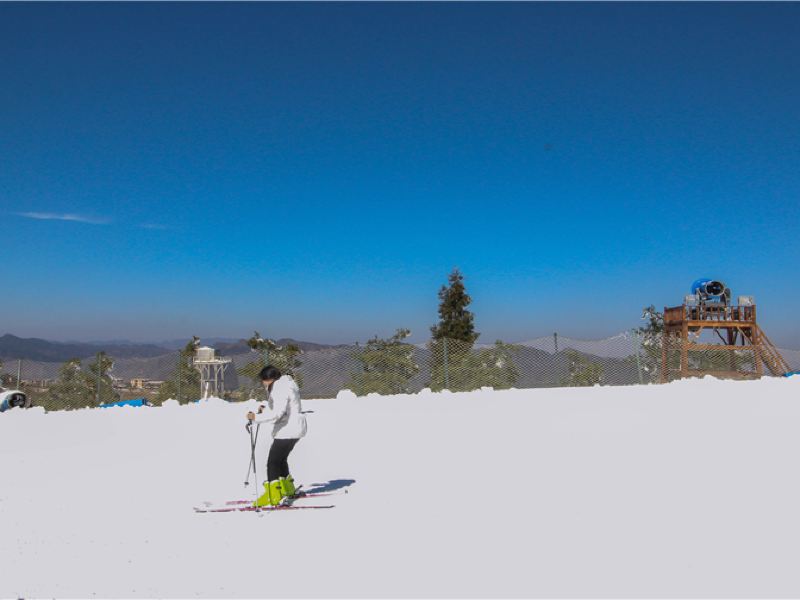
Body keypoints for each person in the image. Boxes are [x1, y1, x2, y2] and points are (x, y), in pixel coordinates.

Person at [247, 365, 307, 507]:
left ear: (269, 379)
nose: (263, 383)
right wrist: (266, 408)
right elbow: (284, 408)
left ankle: (273, 495)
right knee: (280, 460)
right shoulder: (287, 384)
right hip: (295, 428)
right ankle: (288, 489)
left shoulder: (279, 388)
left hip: (287, 430)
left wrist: (255, 417)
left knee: (272, 462)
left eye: (263, 380)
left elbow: (277, 414)